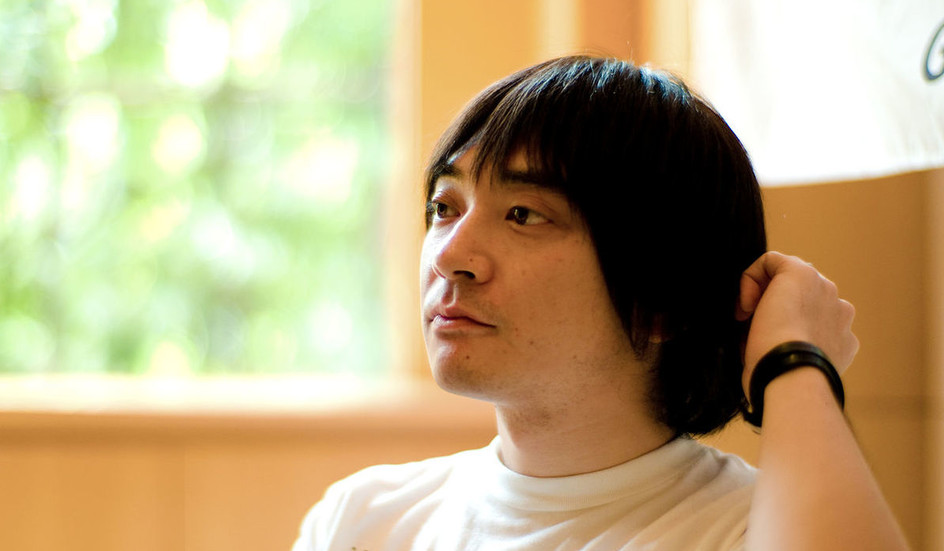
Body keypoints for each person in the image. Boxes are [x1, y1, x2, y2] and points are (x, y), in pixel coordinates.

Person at [292, 55, 910, 550]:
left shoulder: (748, 530)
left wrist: (793, 360)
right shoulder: (366, 521)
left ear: (662, 296)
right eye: (444, 207)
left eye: (523, 214)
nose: (451, 255)